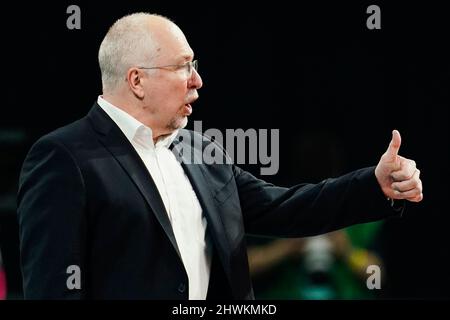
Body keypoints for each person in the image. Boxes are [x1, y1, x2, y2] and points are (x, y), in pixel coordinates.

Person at [16, 13, 423, 300]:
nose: (198, 80)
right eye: (183, 67)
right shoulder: (64, 157)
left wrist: (374, 183)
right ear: (137, 80)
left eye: (195, 65)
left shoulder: (199, 149)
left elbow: (286, 209)